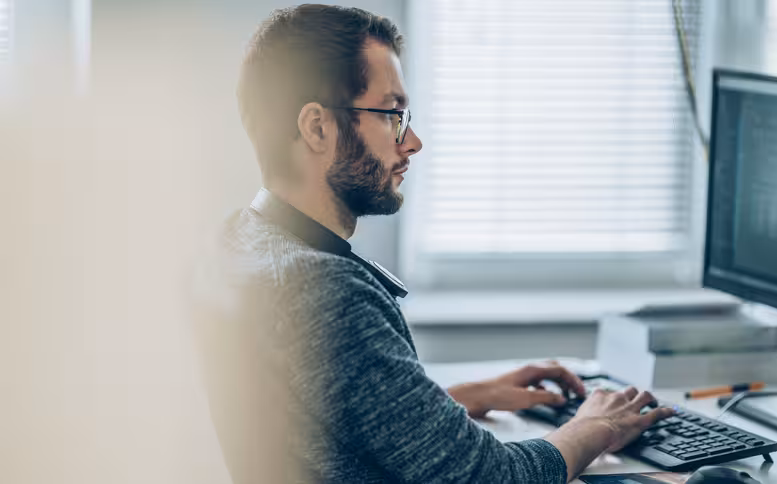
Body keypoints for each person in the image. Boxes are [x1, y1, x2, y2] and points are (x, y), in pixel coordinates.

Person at [193, 4, 673, 483]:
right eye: (392, 115)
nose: (412, 142)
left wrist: (460, 399)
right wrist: (598, 426)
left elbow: (322, 422)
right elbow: (490, 478)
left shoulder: (243, 241)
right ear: (318, 127)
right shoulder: (322, 289)